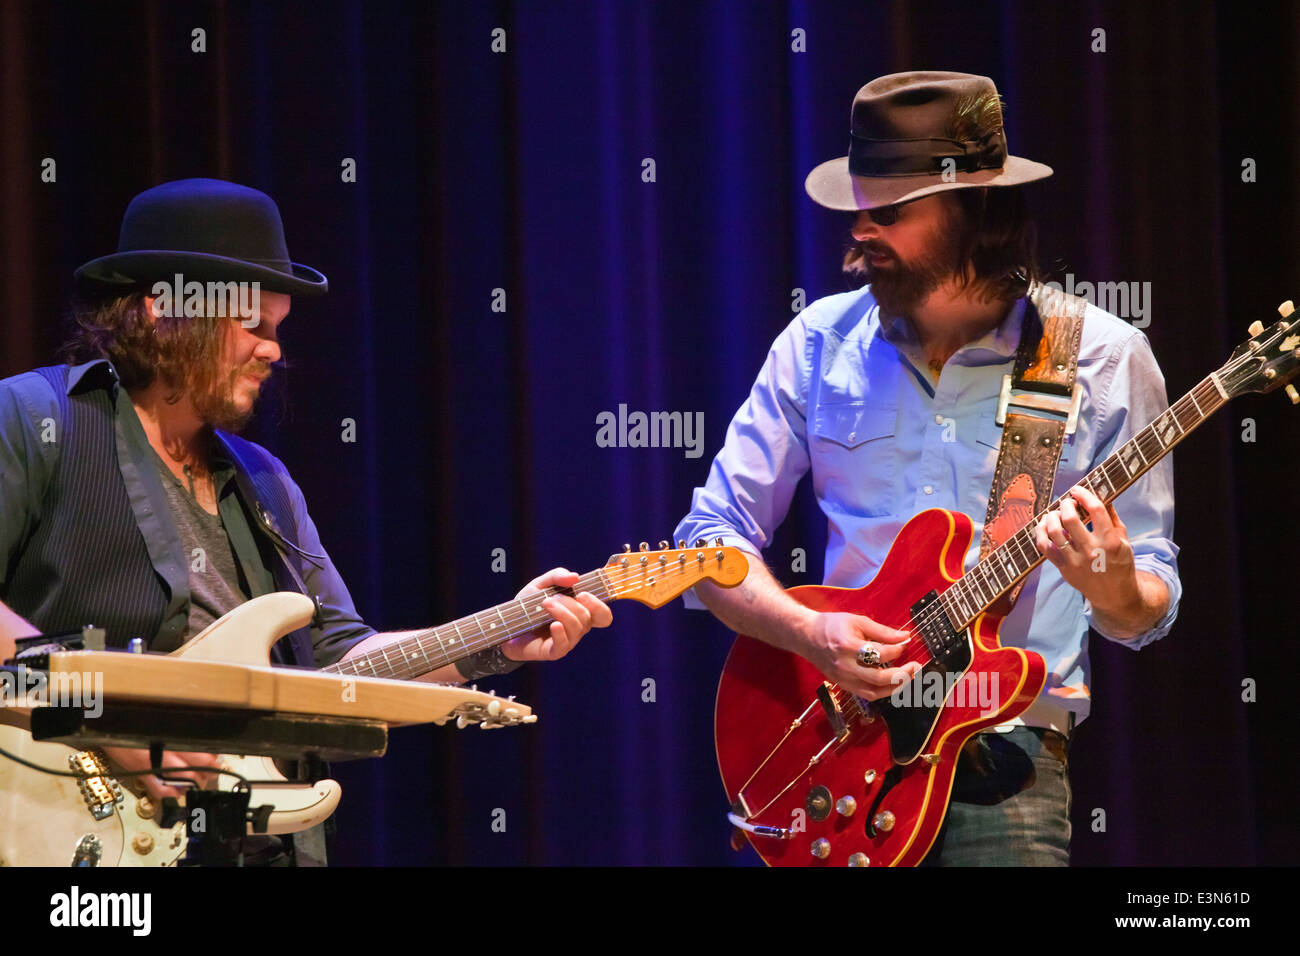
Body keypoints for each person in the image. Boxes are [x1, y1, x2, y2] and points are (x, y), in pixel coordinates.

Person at [0, 177, 612, 864]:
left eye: (278, 330)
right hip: (70, 835)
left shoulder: (266, 481)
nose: (273, 351)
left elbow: (339, 665)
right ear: (165, 310)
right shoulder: (34, 421)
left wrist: (495, 637)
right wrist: (108, 721)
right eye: (253, 325)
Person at [675, 72, 1181, 865]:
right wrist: (809, 632)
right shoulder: (816, 344)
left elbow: (1146, 607)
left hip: (1005, 754)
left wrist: (1113, 582)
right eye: (858, 210)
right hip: (833, 748)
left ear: (974, 213)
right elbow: (707, 539)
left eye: (891, 212)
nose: (861, 232)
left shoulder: (1105, 359)